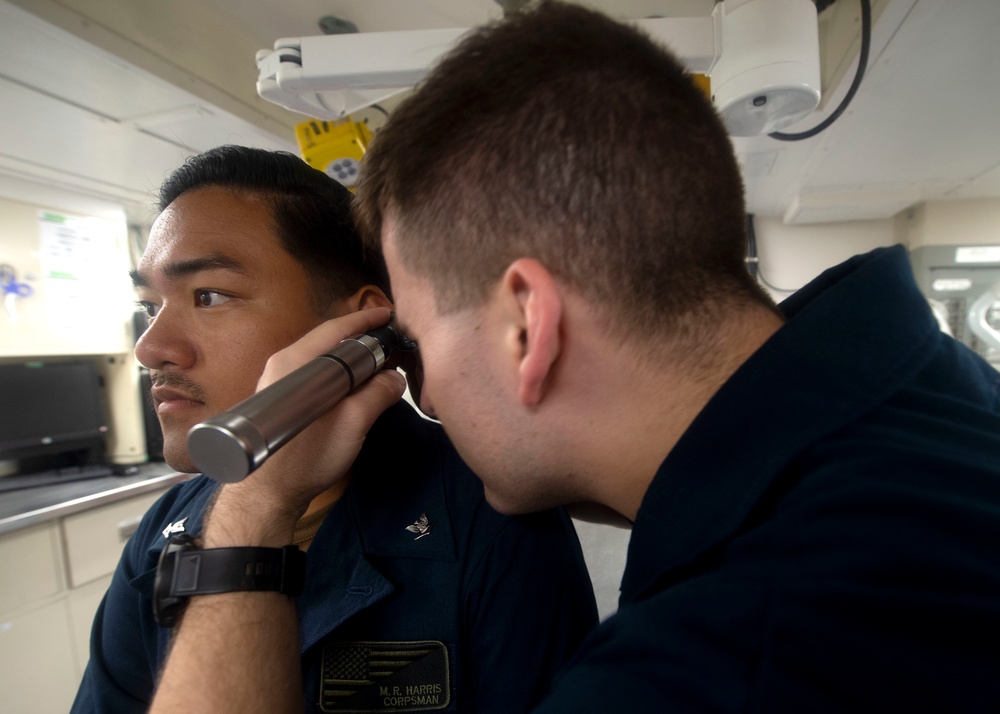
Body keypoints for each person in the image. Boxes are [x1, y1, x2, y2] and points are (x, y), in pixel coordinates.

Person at [147, 3, 1000, 712]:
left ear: (527, 324)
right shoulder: (925, 406)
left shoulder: (713, 664)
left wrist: (252, 516)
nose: (427, 394)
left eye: (419, 336)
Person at [71, 144, 598, 714]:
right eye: (150, 306)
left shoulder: (492, 511)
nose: (151, 348)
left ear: (355, 326)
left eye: (211, 296)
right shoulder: (161, 538)